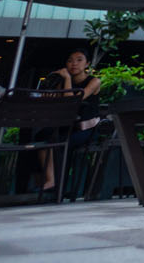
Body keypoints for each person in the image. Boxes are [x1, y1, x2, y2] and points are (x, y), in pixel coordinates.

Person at [36, 48, 102, 201]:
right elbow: (59, 104)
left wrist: (66, 78)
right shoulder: (62, 83)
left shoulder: (94, 81)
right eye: (70, 60)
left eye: (79, 60)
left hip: (87, 129)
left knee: (62, 143)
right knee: (41, 136)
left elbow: (73, 101)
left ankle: (59, 187)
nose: (74, 64)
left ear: (87, 64)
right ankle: (50, 180)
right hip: (67, 127)